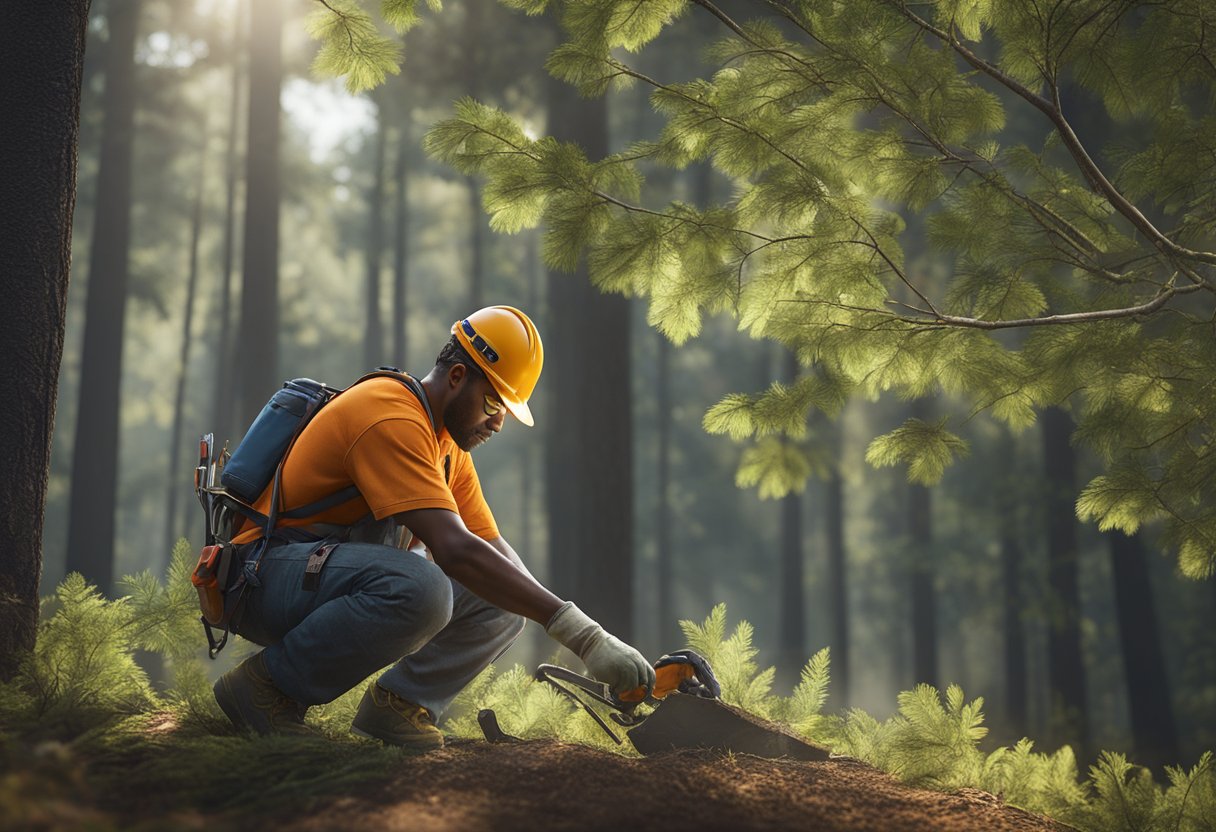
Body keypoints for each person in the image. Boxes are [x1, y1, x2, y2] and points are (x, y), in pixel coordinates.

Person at [213, 305, 655, 748]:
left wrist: (587, 631)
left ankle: (400, 704)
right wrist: (583, 637)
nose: (499, 422)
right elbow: (455, 550)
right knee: (422, 586)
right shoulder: (390, 417)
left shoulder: (446, 447)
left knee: (502, 599)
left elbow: (491, 550)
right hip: (262, 579)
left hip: (316, 577)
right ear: (458, 376)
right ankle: (264, 690)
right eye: (494, 402)